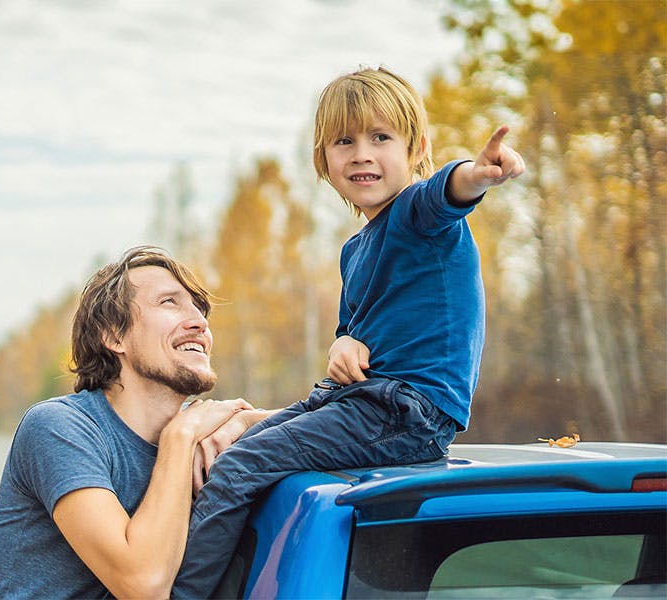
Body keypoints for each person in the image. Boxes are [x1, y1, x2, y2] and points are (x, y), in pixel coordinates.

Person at [171, 66, 526, 598]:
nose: (362, 153)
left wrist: (476, 174)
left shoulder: (416, 214)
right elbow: (353, 331)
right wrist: (343, 344)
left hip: (408, 413)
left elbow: (445, 194)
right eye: (345, 141)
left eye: (381, 137)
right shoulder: (355, 249)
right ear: (325, 161)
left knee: (242, 465)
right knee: (232, 448)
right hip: (360, 400)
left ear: (416, 148)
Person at [0, 246, 271, 599]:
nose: (200, 321)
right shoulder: (59, 427)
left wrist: (241, 422)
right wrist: (180, 437)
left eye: (199, 308)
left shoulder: (204, 428)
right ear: (114, 335)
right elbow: (142, 585)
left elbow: (313, 428)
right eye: (169, 303)